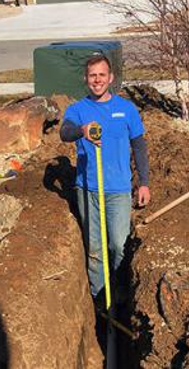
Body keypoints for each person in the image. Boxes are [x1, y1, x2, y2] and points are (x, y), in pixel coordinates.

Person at [60, 54, 150, 303]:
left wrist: (144, 182)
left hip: (119, 190)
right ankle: (100, 301)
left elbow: (139, 147)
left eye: (102, 75)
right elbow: (64, 132)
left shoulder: (126, 110)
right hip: (87, 189)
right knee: (95, 250)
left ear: (110, 78)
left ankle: (121, 297)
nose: (97, 80)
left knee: (118, 246)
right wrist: (82, 130)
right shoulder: (78, 110)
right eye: (92, 76)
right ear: (86, 79)